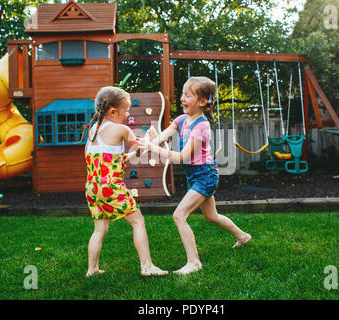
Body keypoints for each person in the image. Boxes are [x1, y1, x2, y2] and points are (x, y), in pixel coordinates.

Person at [138, 76, 252, 275]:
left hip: (205, 177)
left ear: (202, 101)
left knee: (179, 216)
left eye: (188, 95)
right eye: (183, 94)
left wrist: (153, 148)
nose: (182, 98)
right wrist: (149, 141)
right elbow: (163, 138)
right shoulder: (181, 120)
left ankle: (194, 263)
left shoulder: (201, 127)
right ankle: (243, 236)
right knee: (211, 216)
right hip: (197, 176)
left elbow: (182, 157)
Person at [80, 86, 168, 277]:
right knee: (138, 221)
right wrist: (150, 136)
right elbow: (140, 148)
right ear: (113, 112)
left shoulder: (93, 130)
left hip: (92, 189)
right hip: (111, 187)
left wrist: (123, 158)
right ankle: (147, 266)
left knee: (100, 229)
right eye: (126, 110)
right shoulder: (121, 129)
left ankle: (92, 269)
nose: (128, 114)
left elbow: (102, 157)